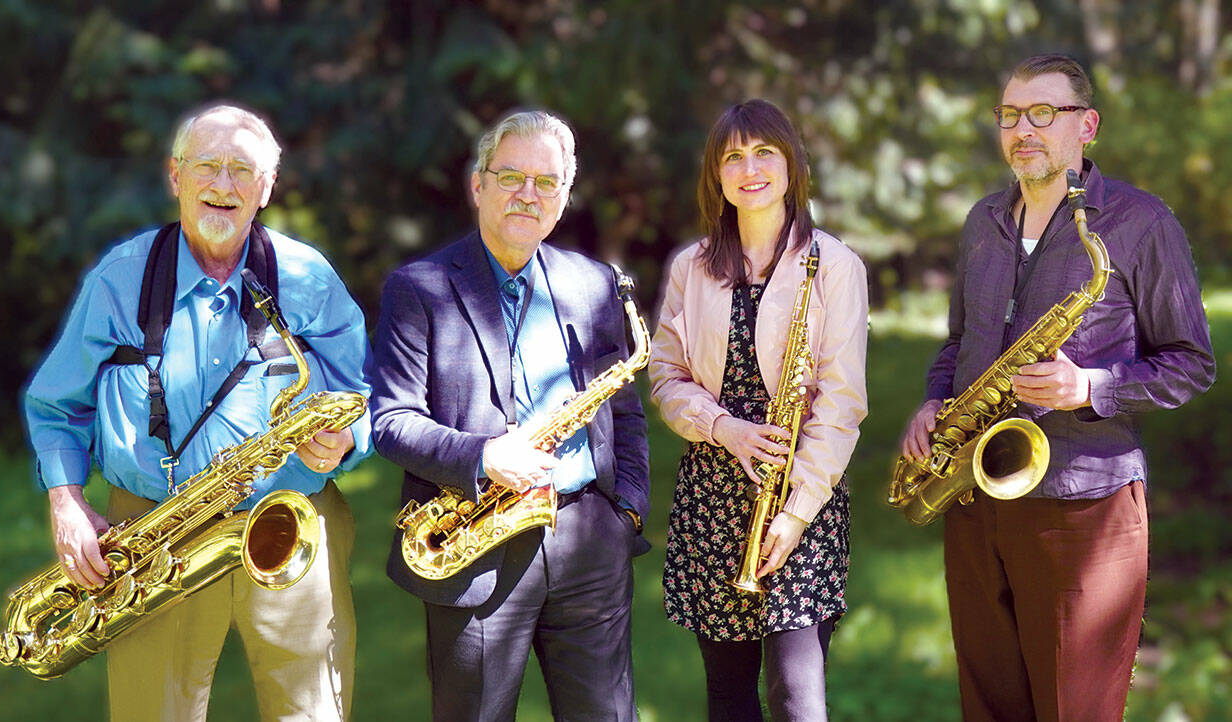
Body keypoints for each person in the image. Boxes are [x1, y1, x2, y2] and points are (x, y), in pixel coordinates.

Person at [24, 103, 371, 721]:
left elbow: (360, 391)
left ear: (266, 189)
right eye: (207, 166)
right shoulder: (119, 280)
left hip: (290, 519)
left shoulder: (307, 277)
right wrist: (66, 501)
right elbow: (56, 404)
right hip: (153, 532)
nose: (222, 185)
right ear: (175, 176)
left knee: (312, 711)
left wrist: (346, 437)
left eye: (242, 170)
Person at [899, 54, 1216, 721]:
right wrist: (932, 402)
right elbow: (959, 342)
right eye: (1010, 115)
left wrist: (1091, 387)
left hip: (1083, 507)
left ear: (1087, 125)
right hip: (975, 499)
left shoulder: (1141, 223)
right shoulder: (984, 221)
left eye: (1044, 113)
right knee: (988, 707)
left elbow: (1191, 362)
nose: (1024, 129)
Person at [368, 109, 650, 721]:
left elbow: (624, 411)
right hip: (474, 542)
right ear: (478, 186)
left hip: (588, 541)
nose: (529, 194)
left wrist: (626, 507)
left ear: (564, 197)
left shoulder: (594, 284)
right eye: (511, 177)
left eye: (546, 182)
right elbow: (390, 419)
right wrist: (482, 456)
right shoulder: (419, 288)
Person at [649, 99, 868, 721]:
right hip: (716, 487)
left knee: (798, 698)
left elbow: (842, 403)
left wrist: (796, 513)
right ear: (716, 176)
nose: (750, 169)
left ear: (791, 163)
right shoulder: (691, 267)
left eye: (764, 152)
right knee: (728, 696)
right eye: (733, 157)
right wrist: (726, 429)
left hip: (802, 492)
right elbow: (667, 376)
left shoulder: (835, 266)